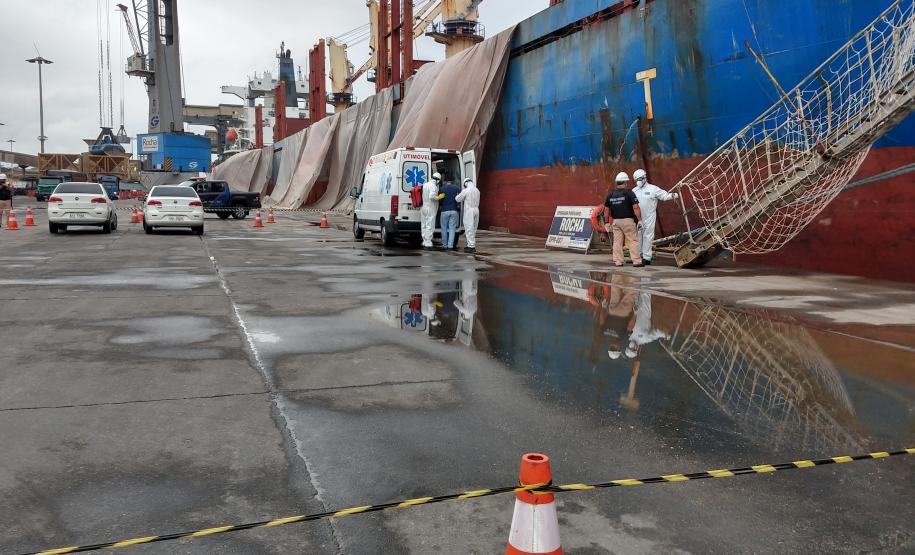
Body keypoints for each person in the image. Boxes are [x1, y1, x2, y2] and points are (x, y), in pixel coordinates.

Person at [632, 169, 679, 265]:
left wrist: (673, 195)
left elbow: (664, 196)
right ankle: (638, 255)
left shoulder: (653, 189)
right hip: (638, 218)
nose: (638, 181)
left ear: (645, 178)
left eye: (640, 179)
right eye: (636, 180)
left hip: (649, 217)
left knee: (648, 237)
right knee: (638, 237)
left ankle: (646, 257)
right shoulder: (634, 191)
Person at [603, 172, 643, 267]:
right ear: (625, 182)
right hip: (628, 221)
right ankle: (636, 261)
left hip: (616, 221)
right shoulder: (629, 193)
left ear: (617, 183)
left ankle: (618, 261)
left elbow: (606, 210)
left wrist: (606, 222)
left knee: (617, 242)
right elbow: (636, 207)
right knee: (633, 240)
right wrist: (640, 220)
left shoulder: (610, 194)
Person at [455, 178, 480, 253]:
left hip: (469, 210)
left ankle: (471, 246)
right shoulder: (477, 190)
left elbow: (458, 199)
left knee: (469, 228)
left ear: (466, 183)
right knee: (474, 228)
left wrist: (457, 195)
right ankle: (471, 244)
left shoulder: (466, 190)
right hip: (476, 210)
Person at [439, 177, 461, 250]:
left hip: (444, 210)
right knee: (452, 229)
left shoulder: (442, 188)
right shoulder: (456, 188)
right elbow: (459, 198)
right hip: (454, 210)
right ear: (451, 182)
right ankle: (450, 246)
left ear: (445, 181)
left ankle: (444, 245)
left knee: (444, 228)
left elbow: (440, 200)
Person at [420, 172, 442, 249]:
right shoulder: (433, 187)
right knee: (430, 224)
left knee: (424, 224)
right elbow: (432, 196)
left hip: (424, 206)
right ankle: (428, 242)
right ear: (438, 180)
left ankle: (424, 240)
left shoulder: (425, 185)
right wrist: (438, 197)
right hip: (430, 207)